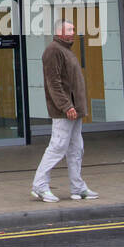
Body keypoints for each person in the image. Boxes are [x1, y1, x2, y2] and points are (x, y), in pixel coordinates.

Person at [30, 20, 98, 203]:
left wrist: (74, 107)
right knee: (58, 146)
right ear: (59, 32)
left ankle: (78, 188)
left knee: (76, 148)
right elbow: (54, 83)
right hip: (65, 111)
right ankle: (40, 185)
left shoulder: (65, 50)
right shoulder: (53, 51)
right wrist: (66, 106)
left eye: (74, 29)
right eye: (70, 29)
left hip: (74, 110)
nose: (73, 32)